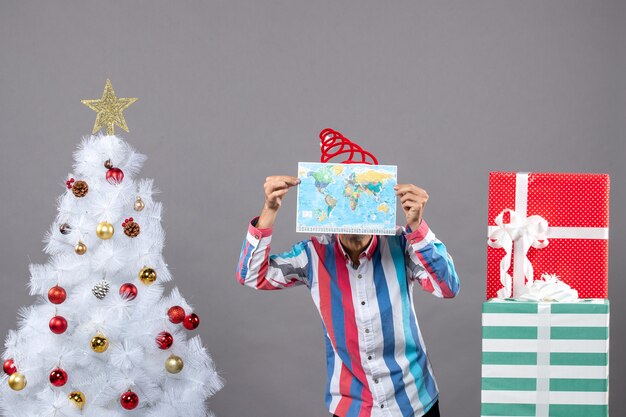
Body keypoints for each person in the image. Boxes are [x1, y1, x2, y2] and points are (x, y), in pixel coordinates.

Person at [236, 143, 459, 417]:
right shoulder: (313, 254)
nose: (352, 201)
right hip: (351, 407)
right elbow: (250, 276)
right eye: (342, 192)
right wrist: (269, 211)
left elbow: (448, 287)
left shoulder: (403, 243)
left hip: (414, 403)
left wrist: (417, 226)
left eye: (360, 193)